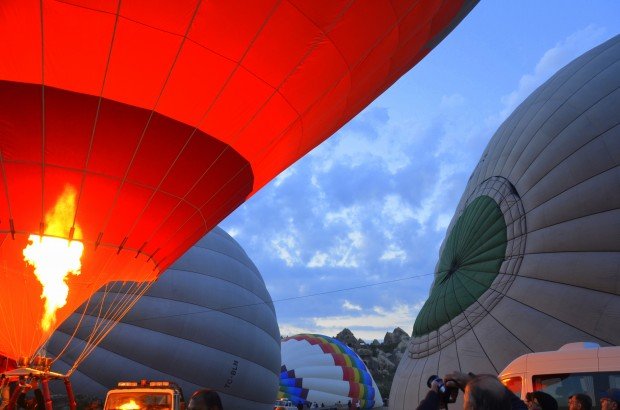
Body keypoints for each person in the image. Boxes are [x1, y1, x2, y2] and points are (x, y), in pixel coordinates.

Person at [416, 371, 527, 410]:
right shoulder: (512, 406)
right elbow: (516, 402)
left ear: (472, 407)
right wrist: (471, 382)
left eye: (466, 397)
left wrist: (432, 396)